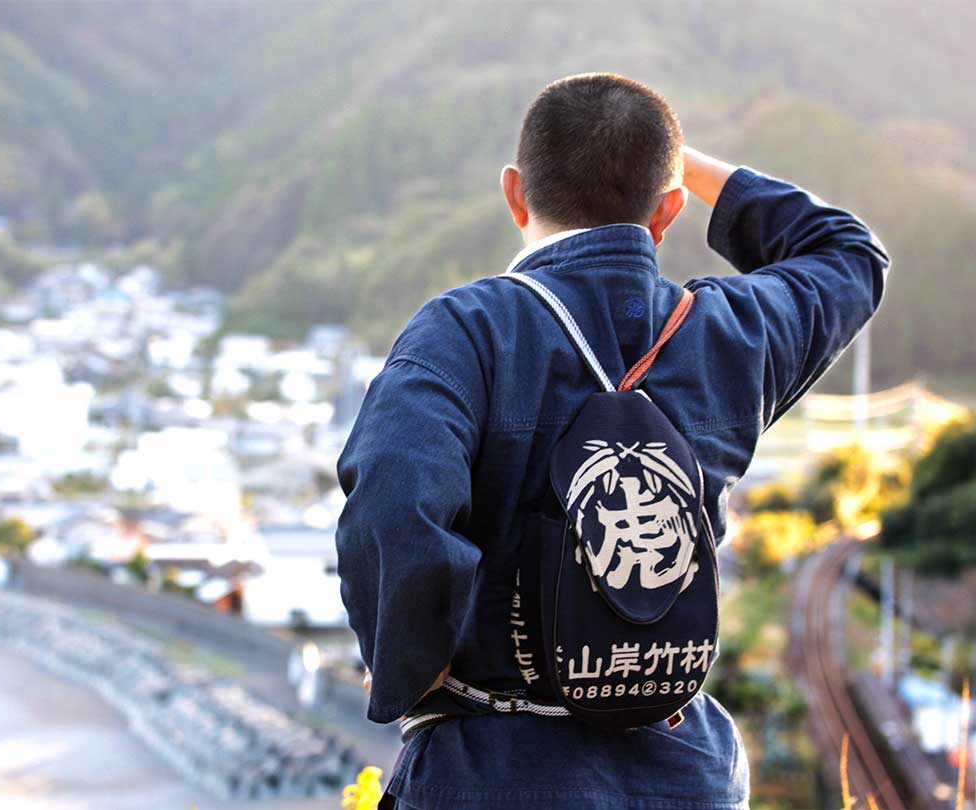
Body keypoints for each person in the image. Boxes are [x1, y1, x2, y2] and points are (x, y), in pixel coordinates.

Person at [334, 73, 889, 810]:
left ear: (514, 193)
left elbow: (394, 500)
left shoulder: (466, 330)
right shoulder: (729, 332)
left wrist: (408, 663)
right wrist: (678, 163)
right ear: (667, 211)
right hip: (686, 773)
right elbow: (849, 252)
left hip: (492, 770)